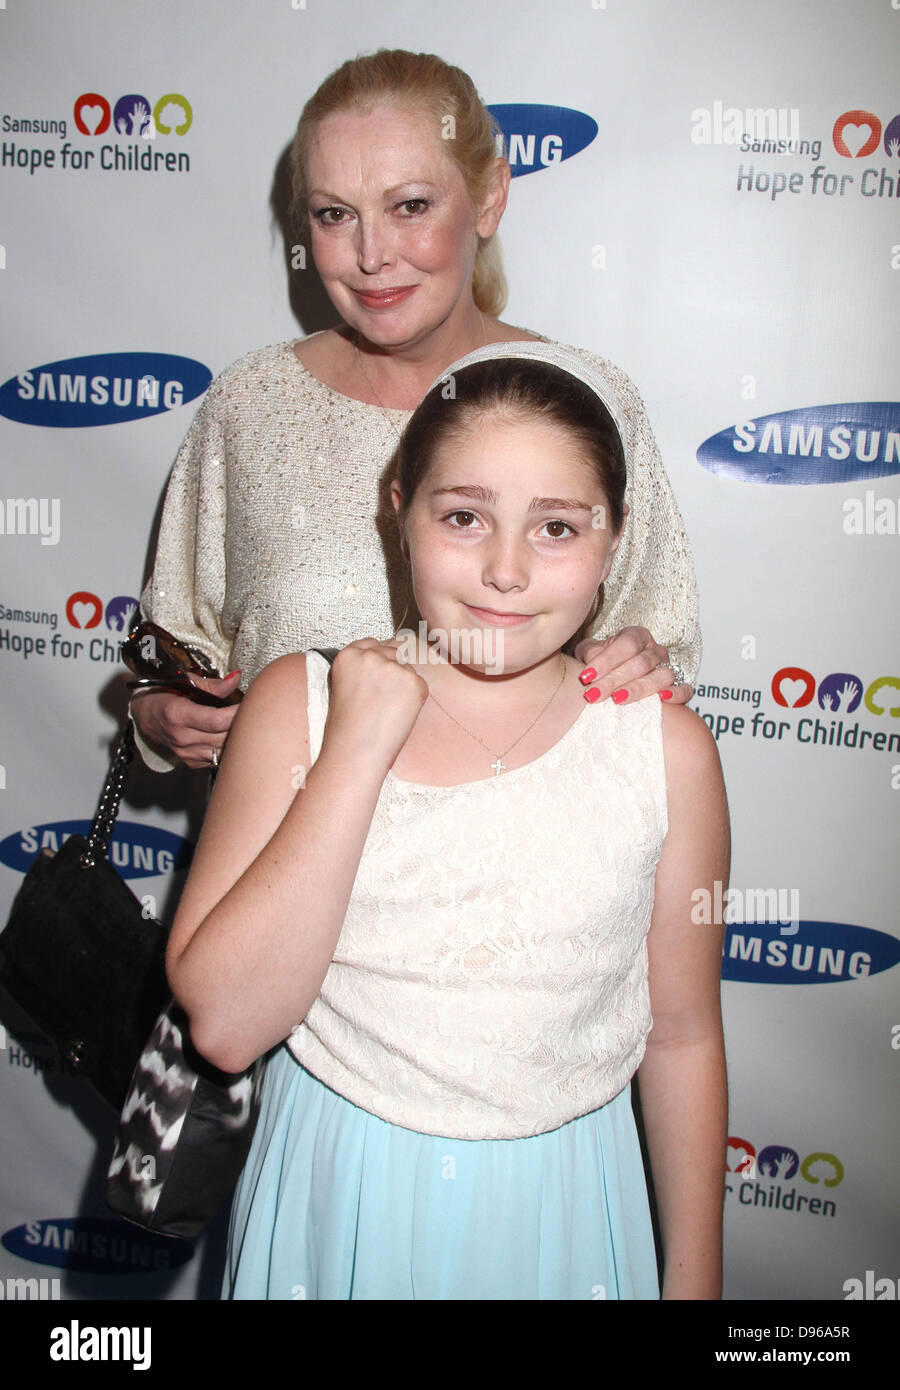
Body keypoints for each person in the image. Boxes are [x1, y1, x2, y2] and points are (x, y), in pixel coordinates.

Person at [166, 341, 730, 1301]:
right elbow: (224, 1024)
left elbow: (681, 1038)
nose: (506, 572)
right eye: (464, 517)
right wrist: (355, 748)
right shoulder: (297, 706)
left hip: (567, 1213)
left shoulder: (663, 748)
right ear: (400, 510)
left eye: (556, 528)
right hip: (335, 1194)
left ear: (615, 536)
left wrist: (695, 1281)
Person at [131, 49, 701, 773]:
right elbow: (177, 644)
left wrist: (641, 668)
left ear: (489, 198)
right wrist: (158, 713)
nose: (371, 255)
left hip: (505, 871)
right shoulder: (249, 404)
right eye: (335, 215)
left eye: (410, 207)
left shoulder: (586, 399)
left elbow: (659, 656)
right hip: (272, 861)